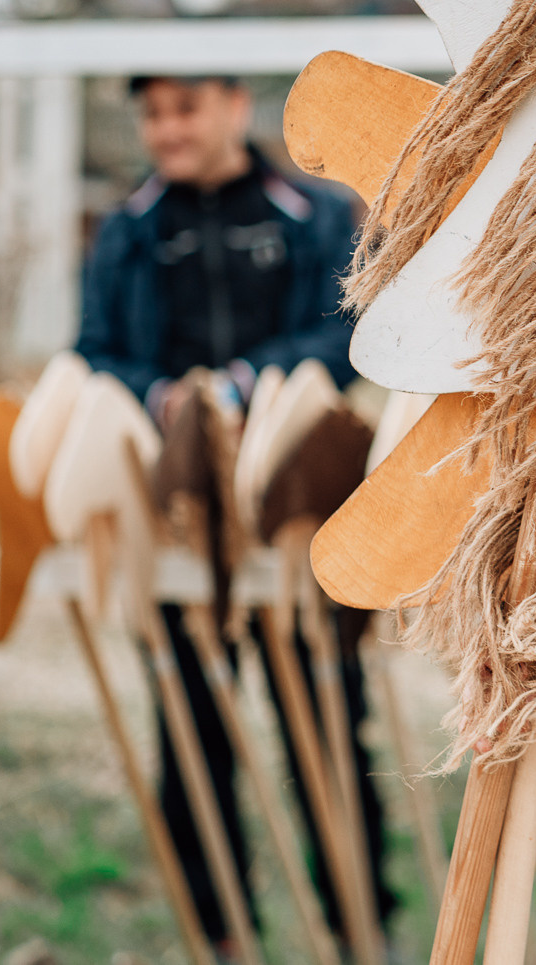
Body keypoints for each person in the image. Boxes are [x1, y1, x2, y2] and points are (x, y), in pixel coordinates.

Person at [75, 72, 391, 954]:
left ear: (232, 105)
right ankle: (219, 936)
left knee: (327, 729)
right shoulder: (127, 230)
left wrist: (253, 383)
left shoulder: (320, 213)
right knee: (191, 740)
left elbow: (352, 325)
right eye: (152, 112)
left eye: (185, 106)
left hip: (296, 519)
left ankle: (361, 927)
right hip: (175, 523)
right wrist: (165, 397)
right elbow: (96, 349)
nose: (167, 128)